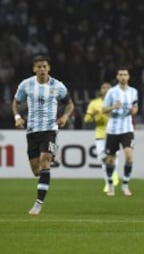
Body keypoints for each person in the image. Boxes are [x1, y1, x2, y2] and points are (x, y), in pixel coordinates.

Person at [12, 55, 74, 215]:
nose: (42, 69)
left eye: (44, 66)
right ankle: (51, 157)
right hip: (32, 131)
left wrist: (65, 116)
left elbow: (69, 104)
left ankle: (38, 204)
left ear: (49, 68)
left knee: (44, 163)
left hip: (50, 129)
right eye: (39, 67)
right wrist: (18, 117)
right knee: (36, 171)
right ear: (34, 69)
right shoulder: (26, 85)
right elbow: (16, 103)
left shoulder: (57, 86)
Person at [102, 67, 138, 197]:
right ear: (117, 77)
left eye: (125, 74)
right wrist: (113, 107)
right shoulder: (111, 92)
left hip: (127, 129)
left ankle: (125, 185)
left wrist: (134, 110)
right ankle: (111, 184)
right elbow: (104, 110)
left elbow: (135, 106)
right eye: (121, 74)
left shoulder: (134, 91)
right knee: (110, 160)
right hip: (112, 130)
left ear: (128, 77)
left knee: (129, 156)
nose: (123, 77)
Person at [84, 82, 119, 193]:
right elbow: (86, 120)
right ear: (101, 90)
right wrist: (92, 115)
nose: (106, 89)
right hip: (100, 134)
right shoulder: (94, 103)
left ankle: (109, 184)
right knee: (103, 159)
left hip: (114, 134)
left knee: (112, 159)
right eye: (104, 87)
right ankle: (112, 176)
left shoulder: (117, 103)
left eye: (108, 87)